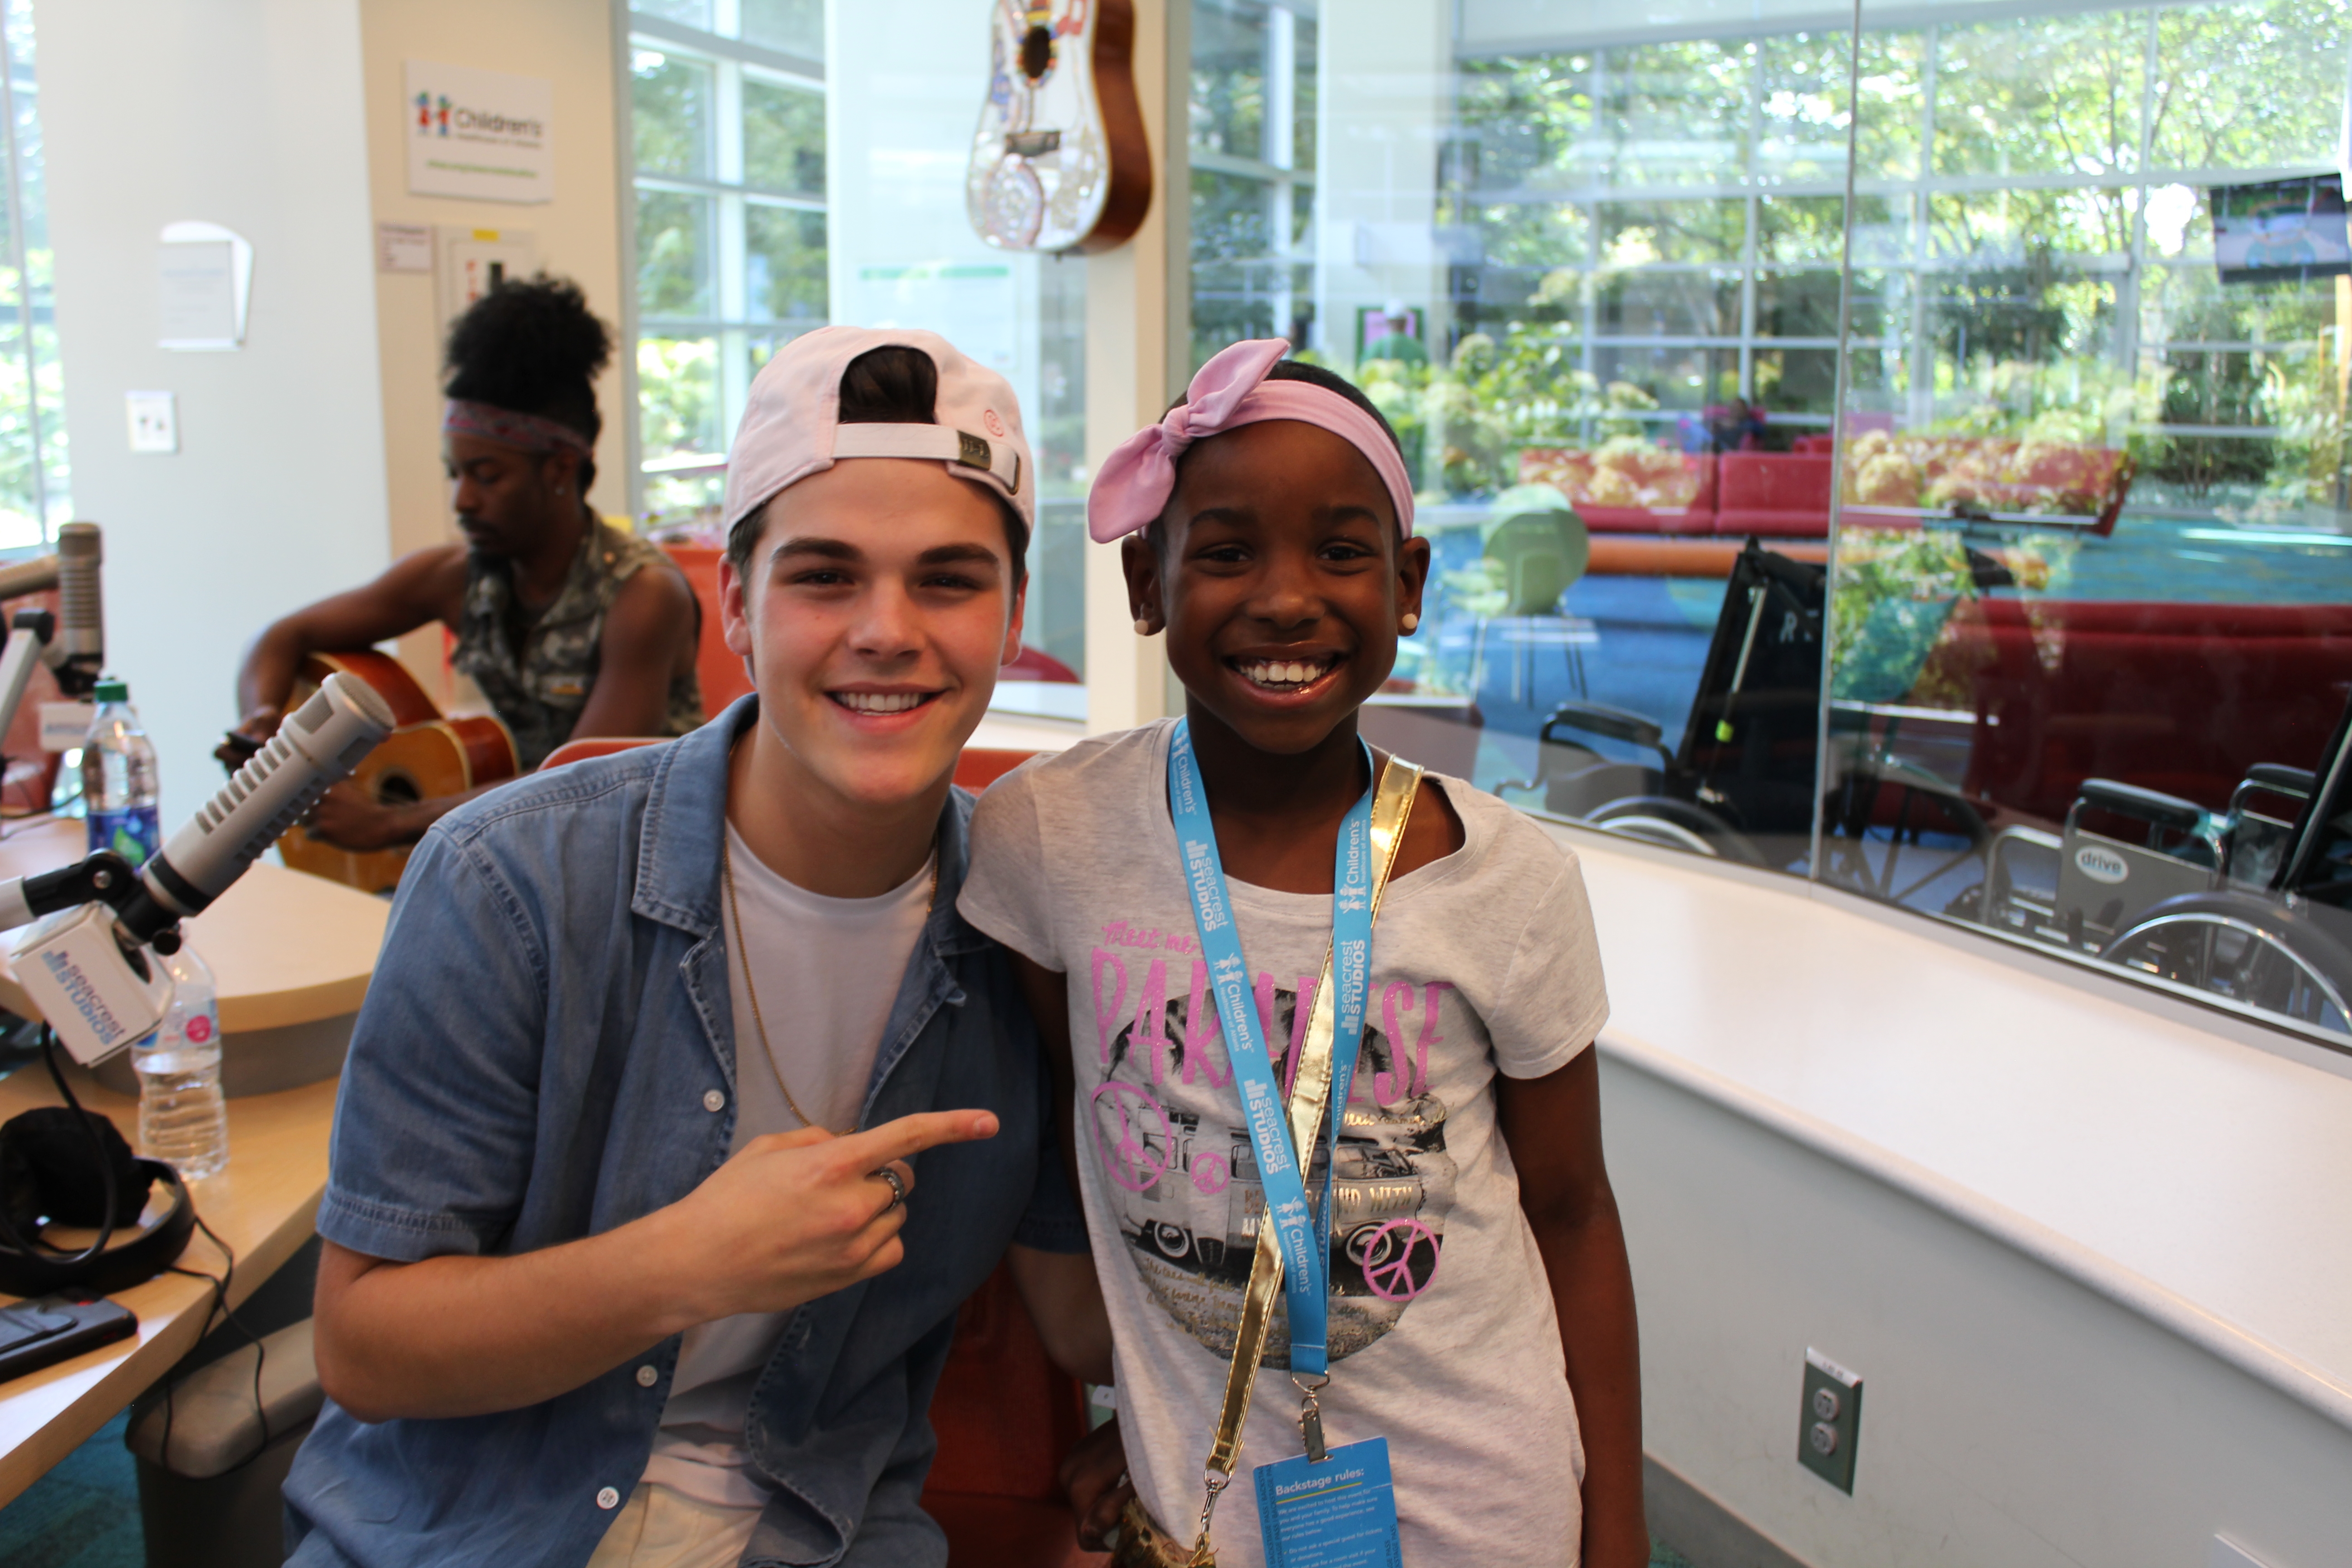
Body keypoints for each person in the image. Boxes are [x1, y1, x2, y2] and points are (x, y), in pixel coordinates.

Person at [286, 327, 1107, 1568]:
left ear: (1013, 616)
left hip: (820, 1534)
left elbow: (1085, 1330)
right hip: (475, 1529)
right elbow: (365, 1346)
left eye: (948, 580)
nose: (887, 630)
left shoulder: (1034, 926)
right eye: (824, 576)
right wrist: (686, 1262)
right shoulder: (510, 881)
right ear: (735, 601)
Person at [959, 338, 1647, 1566]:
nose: (1284, 598)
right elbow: (1084, 1128)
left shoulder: (1506, 882)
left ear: (1409, 583)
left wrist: (1621, 1529)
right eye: (1226, 552)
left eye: (1340, 551)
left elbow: (1572, 1210)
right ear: (1146, 581)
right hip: (1207, 1499)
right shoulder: (1046, 840)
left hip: (1480, 1504)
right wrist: (1147, 1405)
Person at [221, 276, 704, 849]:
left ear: (559, 468)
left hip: (648, 850)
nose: (462, 500)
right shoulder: (454, 578)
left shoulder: (643, 595)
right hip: (529, 842)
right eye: (455, 473)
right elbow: (281, 638)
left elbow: (584, 781)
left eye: (487, 476)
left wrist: (393, 822)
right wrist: (265, 723)